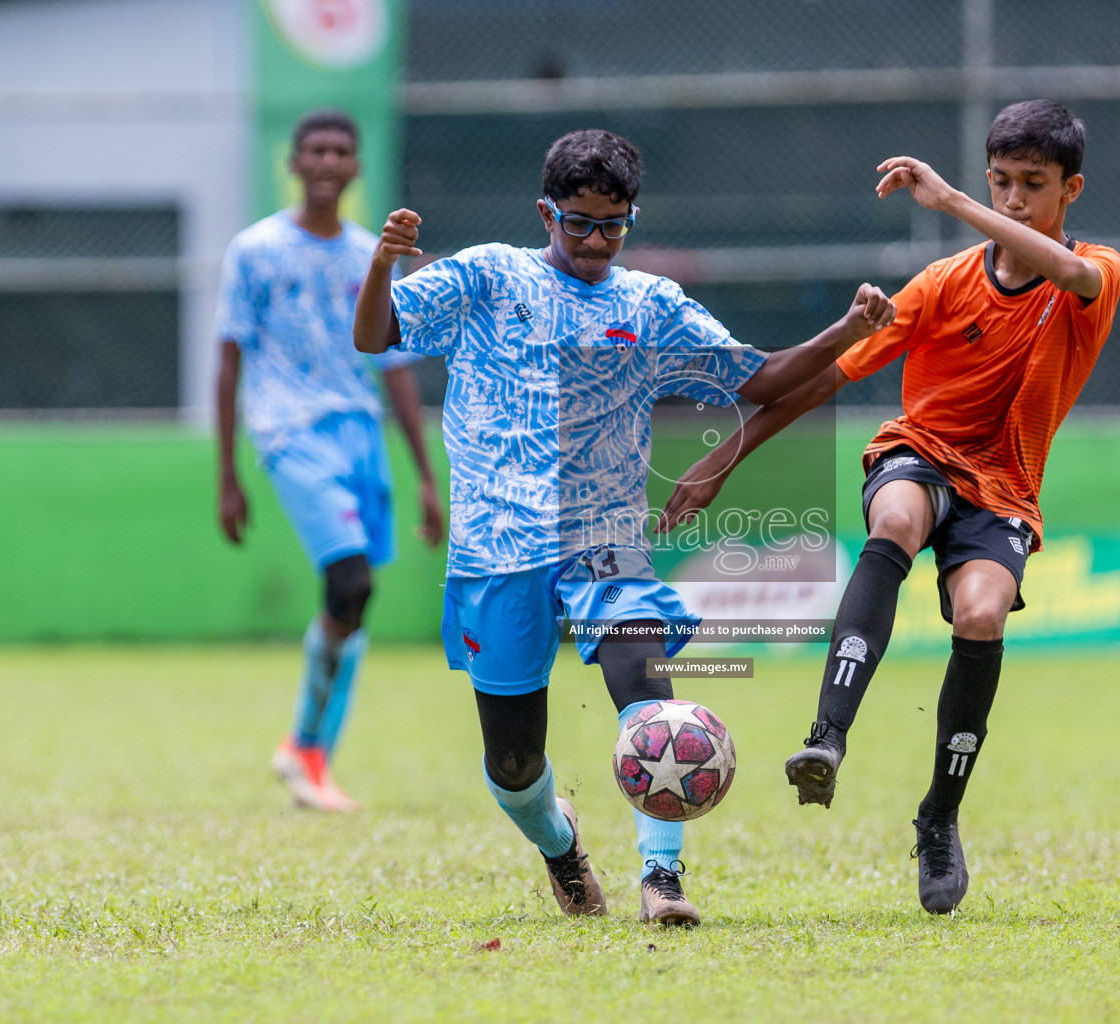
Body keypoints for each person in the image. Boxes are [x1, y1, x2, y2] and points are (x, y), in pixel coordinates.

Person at [353, 129, 895, 925]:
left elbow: (762, 375)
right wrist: (379, 265)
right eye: (579, 223)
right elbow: (374, 335)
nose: (597, 241)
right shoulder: (486, 277)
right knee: (512, 764)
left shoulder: (650, 305)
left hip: (605, 543)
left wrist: (847, 331)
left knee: (650, 702)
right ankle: (559, 846)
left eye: (614, 224)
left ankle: (662, 877)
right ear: (547, 211)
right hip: (497, 551)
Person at [657, 100, 1120, 915]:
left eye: (1033, 185)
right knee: (898, 519)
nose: (1014, 199)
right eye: (1001, 182)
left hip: (1003, 490)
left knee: (981, 617)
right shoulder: (941, 286)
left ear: (1070, 190)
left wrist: (951, 203)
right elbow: (820, 384)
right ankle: (826, 737)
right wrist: (720, 462)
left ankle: (939, 817)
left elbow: (1071, 273)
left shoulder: (1096, 275)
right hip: (918, 455)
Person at [215, 108, 445, 812]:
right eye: (313, 149)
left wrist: (427, 477)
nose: (325, 160)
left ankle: (306, 750)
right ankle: (309, 753)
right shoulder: (254, 250)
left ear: (354, 168)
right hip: (289, 432)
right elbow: (228, 360)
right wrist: (227, 473)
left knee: (355, 598)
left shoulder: (364, 257)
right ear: (293, 163)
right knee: (349, 583)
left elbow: (397, 368)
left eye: (340, 150)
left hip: (361, 436)